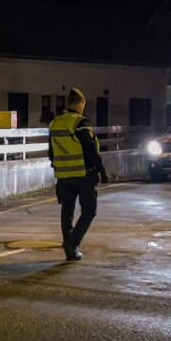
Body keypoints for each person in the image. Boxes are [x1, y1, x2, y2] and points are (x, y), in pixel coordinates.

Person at [48, 87, 108, 261]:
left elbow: (50, 152)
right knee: (89, 211)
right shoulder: (80, 123)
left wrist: (58, 167)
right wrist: (101, 171)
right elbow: (90, 150)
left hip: (63, 176)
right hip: (83, 175)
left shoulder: (55, 123)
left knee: (67, 211)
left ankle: (69, 248)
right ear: (81, 103)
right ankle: (72, 242)